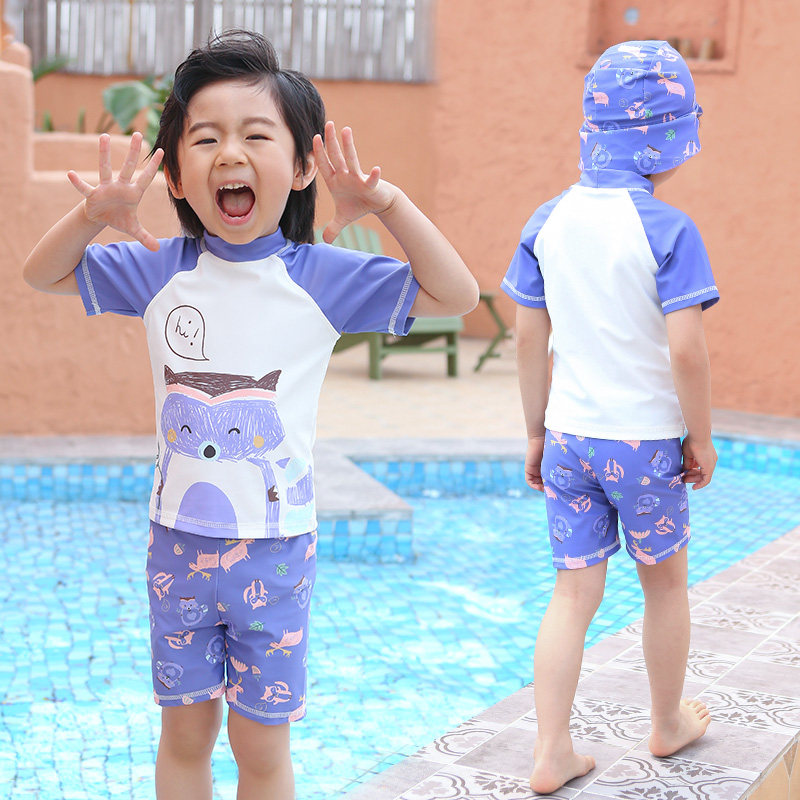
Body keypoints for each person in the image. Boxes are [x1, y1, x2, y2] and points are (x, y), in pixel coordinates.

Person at [24, 30, 478, 800]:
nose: (229, 153)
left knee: (261, 744)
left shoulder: (323, 278)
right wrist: (93, 214)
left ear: (301, 167)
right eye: (205, 138)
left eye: (256, 136)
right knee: (185, 735)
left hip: (276, 551)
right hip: (176, 544)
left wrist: (386, 203)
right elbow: (43, 274)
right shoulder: (157, 270)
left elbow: (456, 296)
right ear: (175, 174)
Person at [502, 40, 718, 795]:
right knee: (665, 587)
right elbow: (686, 351)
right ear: (670, 136)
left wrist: (536, 430)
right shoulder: (669, 229)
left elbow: (528, 337)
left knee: (572, 596)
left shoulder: (548, 221)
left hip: (569, 437)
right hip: (646, 442)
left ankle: (551, 751)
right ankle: (667, 722)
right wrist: (702, 435)